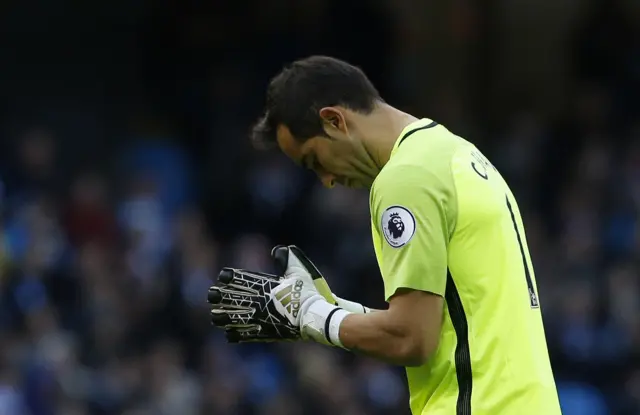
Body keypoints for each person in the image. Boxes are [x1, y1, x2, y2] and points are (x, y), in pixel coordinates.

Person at [208, 56, 561, 415]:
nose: (326, 180)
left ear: (334, 120)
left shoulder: (404, 179)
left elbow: (412, 337)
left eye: (314, 160)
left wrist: (312, 318)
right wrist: (327, 310)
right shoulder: (455, 153)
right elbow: (445, 323)